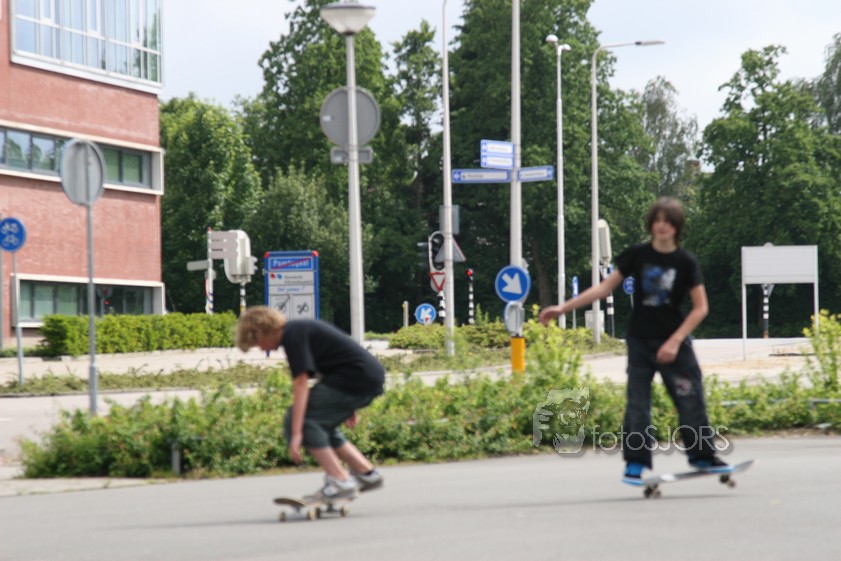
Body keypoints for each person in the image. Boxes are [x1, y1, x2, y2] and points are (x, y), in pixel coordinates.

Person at [539, 197, 731, 485]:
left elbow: (701, 308)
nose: (662, 226)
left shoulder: (685, 262)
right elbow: (603, 289)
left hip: (675, 341)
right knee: (638, 405)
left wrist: (674, 341)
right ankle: (636, 462)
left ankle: (702, 455)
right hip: (641, 341)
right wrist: (563, 308)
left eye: (668, 221)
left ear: (677, 226)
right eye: (657, 220)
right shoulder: (637, 255)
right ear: (651, 224)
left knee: (690, 399)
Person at [236, 306, 385, 500]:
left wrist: (297, 432)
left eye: (258, 343)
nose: (263, 349)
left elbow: (301, 383)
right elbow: (335, 361)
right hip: (364, 377)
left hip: (354, 379)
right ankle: (366, 473)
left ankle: (340, 481)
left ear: (261, 332)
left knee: (304, 420)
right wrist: (348, 407)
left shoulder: (293, 335)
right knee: (322, 426)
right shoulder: (299, 329)